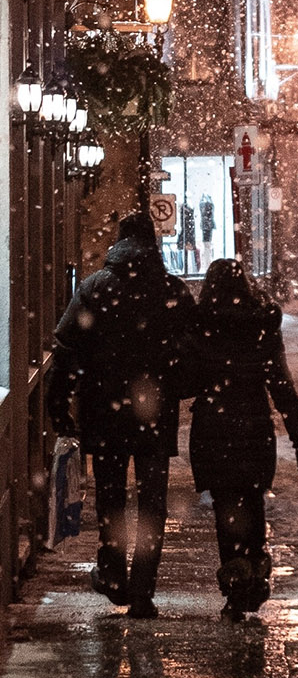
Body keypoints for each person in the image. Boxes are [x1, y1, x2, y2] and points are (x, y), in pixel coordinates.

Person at [48, 210, 199, 620]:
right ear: (153, 244)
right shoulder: (171, 290)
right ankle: (143, 591)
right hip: (154, 414)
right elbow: (193, 351)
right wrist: (177, 388)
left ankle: (114, 575)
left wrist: (59, 403)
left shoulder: (95, 288)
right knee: (152, 503)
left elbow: (66, 346)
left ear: (118, 241)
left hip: (105, 411)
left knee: (111, 496)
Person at [184, 259, 298, 620]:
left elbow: (186, 379)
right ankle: (255, 570)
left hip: (214, 428)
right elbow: (281, 385)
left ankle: (236, 583)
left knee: (226, 507)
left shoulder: (202, 325)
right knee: (253, 500)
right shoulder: (262, 326)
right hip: (255, 428)